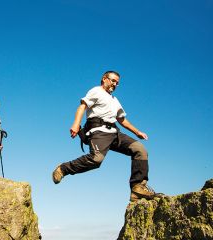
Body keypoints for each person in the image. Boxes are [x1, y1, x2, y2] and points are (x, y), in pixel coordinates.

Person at [52, 70, 160, 201]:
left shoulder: (114, 100)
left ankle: (138, 187)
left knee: (140, 149)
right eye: (113, 80)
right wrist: (76, 124)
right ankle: (63, 169)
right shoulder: (96, 91)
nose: (115, 84)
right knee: (96, 159)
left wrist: (137, 132)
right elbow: (82, 107)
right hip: (99, 131)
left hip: (115, 133)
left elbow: (122, 120)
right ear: (104, 78)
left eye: (117, 83)